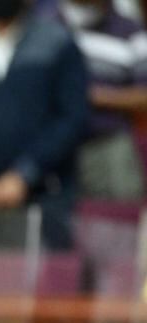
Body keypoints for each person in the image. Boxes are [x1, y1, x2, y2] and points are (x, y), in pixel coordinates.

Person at [0, 0, 89, 251]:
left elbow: (71, 118)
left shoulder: (58, 43)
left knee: (46, 284)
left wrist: (25, 174)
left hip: (46, 196)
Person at [39, 0, 147, 201]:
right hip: (53, 147)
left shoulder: (130, 30)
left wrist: (98, 96)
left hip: (107, 143)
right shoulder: (44, 25)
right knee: (56, 223)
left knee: (120, 219)